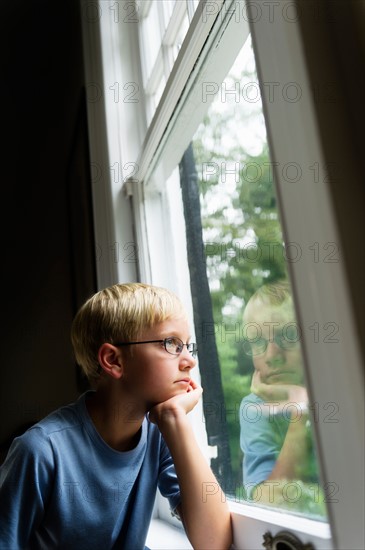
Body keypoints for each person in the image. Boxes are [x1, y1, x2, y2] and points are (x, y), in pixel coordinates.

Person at [0, 282, 232, 549]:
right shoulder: (40, 451)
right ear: (113, 361)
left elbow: (215, 543)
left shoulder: (160, 434)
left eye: (187, 346)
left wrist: (175, 419)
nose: (190, 361)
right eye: (171, 344)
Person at [239, 280, 320, 509]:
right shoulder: (255, 407)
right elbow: (270, 501)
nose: (272, 355)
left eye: (288, 335)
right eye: (258, 342)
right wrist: (298, 415)